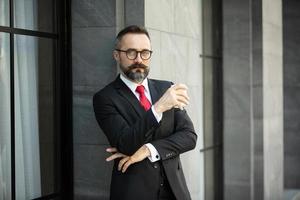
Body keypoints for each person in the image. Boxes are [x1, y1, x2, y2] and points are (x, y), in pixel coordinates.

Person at [93, 25, 197, 200]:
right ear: (117, 55)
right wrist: (158, 108)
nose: (139, 59)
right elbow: (125, 143)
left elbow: (189, 137)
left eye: (145, 53)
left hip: (176, 192)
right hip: (133, 192)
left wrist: (148, 149)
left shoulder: (166, 87)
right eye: (131, 53)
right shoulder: (105, 98)